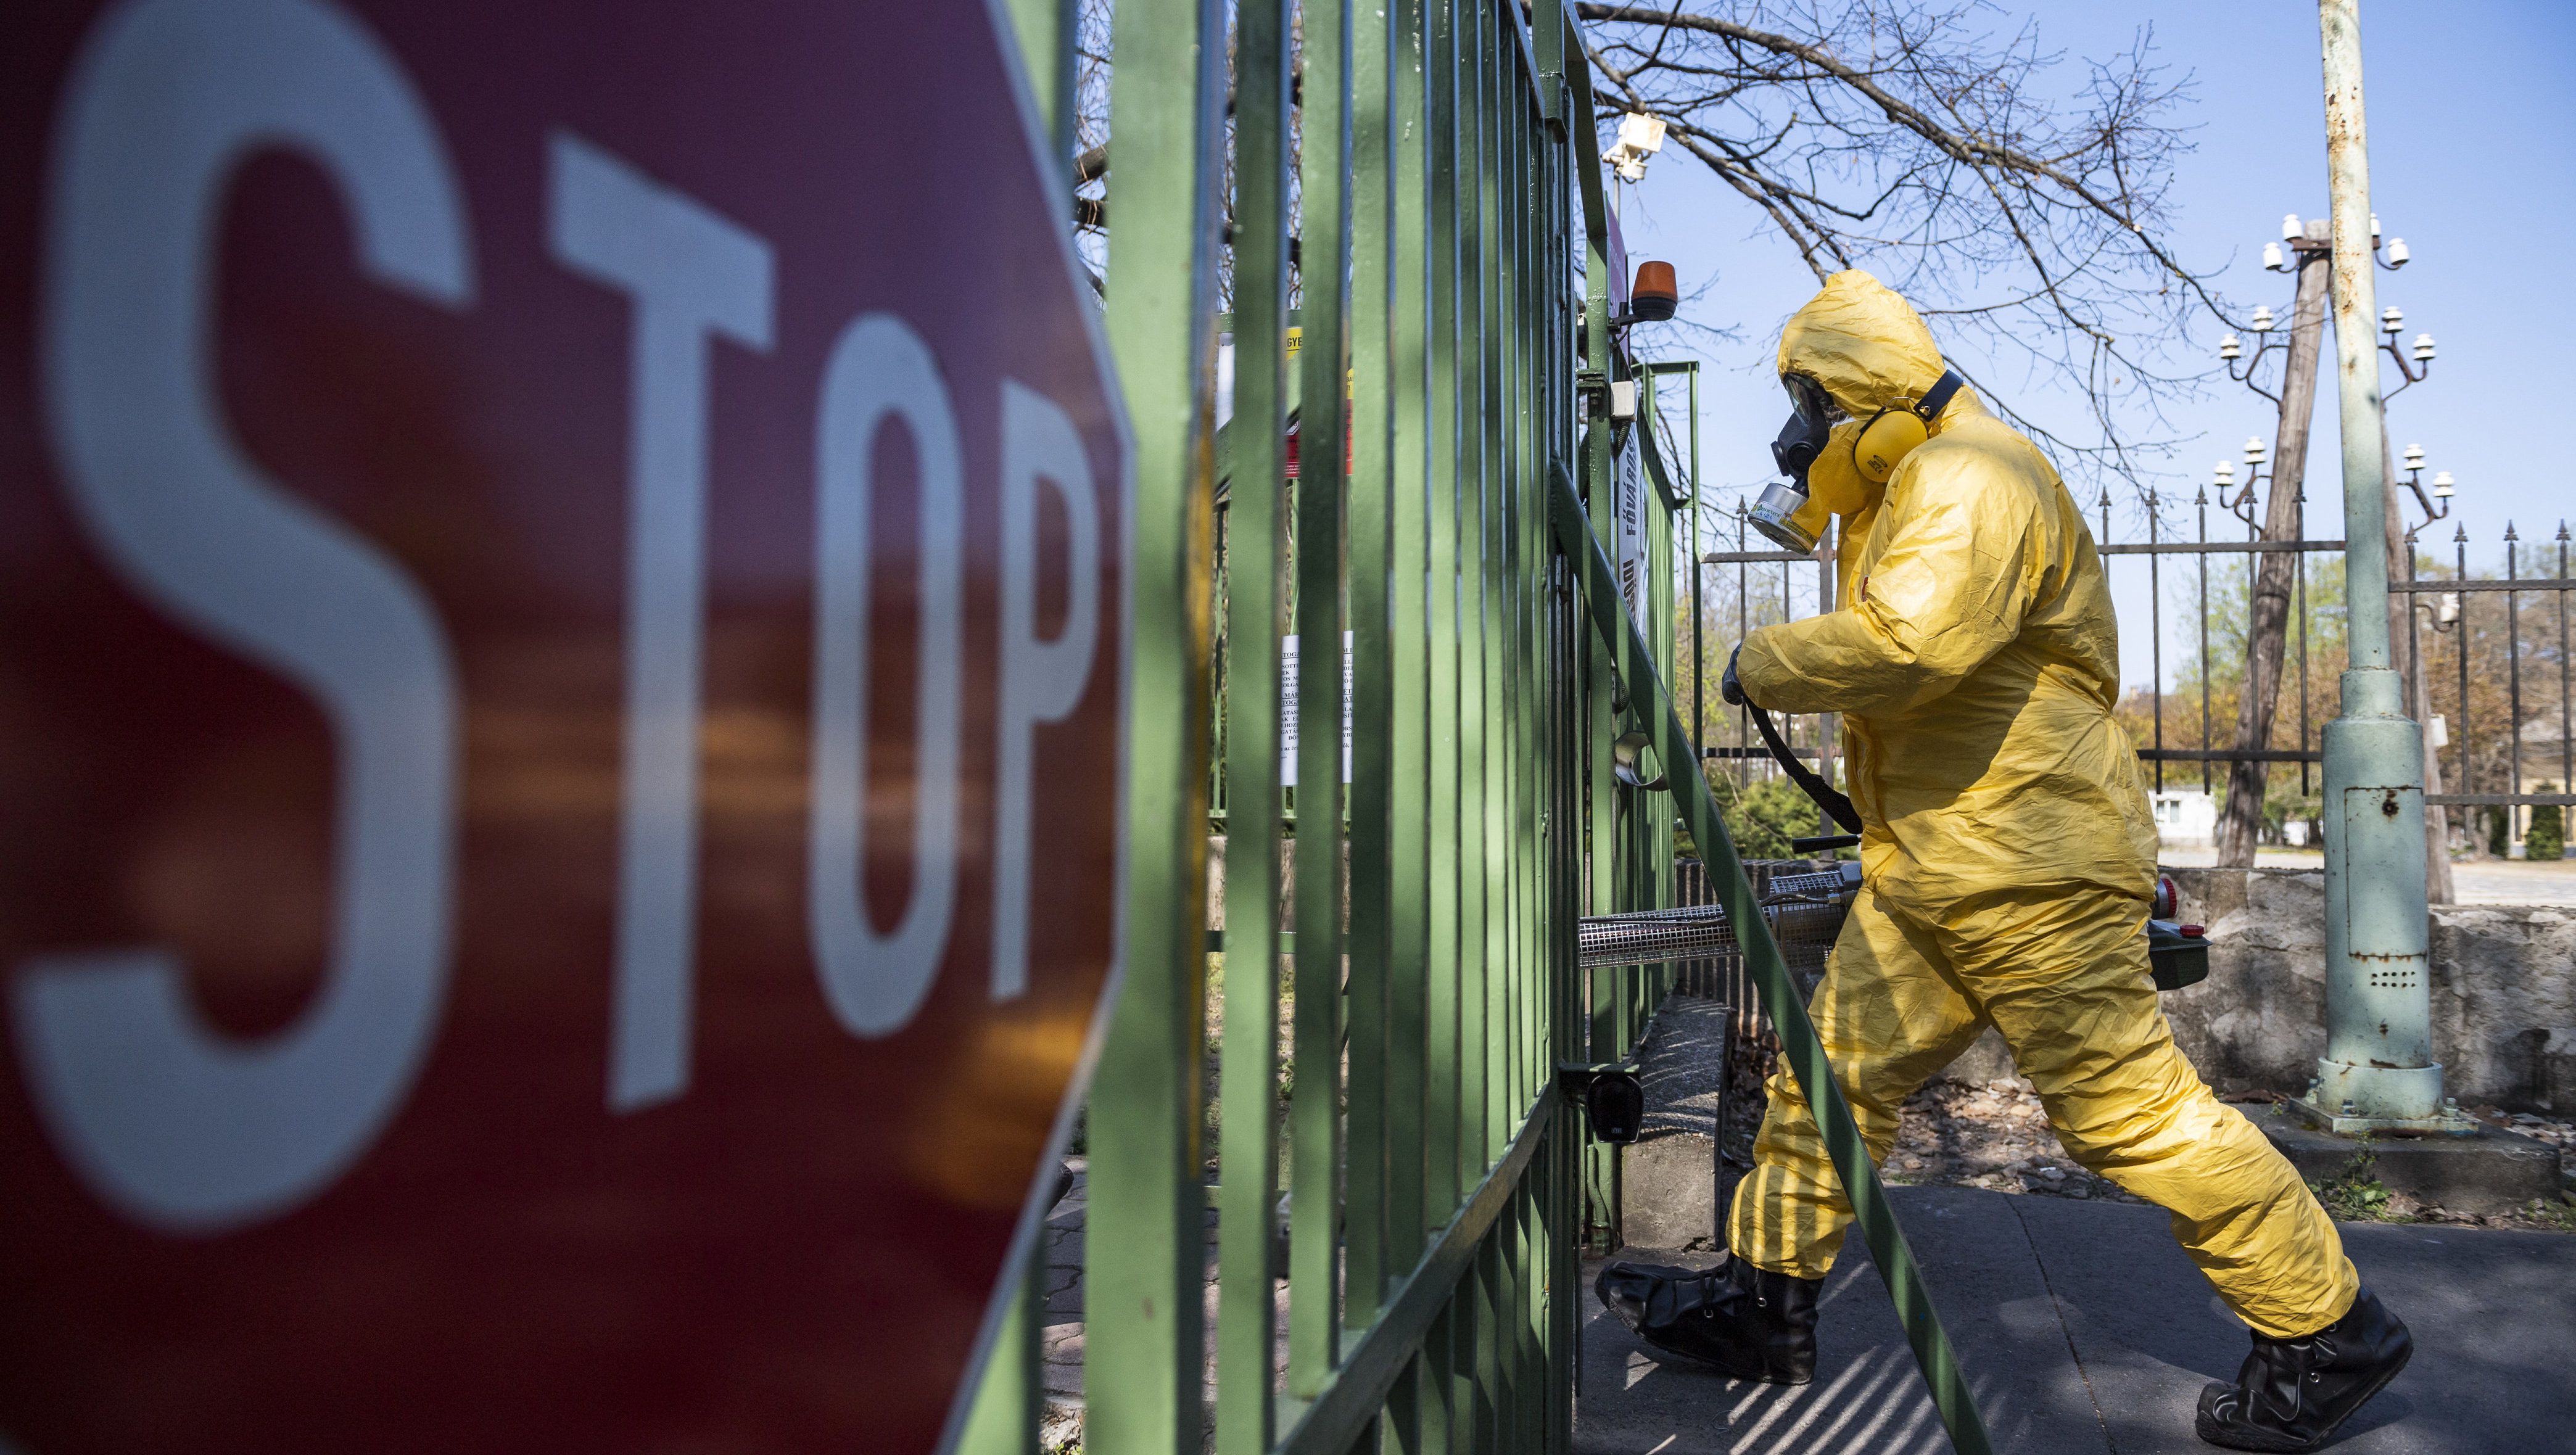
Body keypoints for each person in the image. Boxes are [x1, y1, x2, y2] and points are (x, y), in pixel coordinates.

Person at [1595, 272, 2411, 1453]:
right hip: (1942, 861)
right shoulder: (1916, 486)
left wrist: (1764, 660)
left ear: (1859, 388)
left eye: (1807, 398)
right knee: (1832, 1079)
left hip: (2026, 859)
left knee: (2126, 1113)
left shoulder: (1972, 473)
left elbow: (1916, 642)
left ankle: (2331, 1327)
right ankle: (1765, 1304)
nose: (1795, 432)